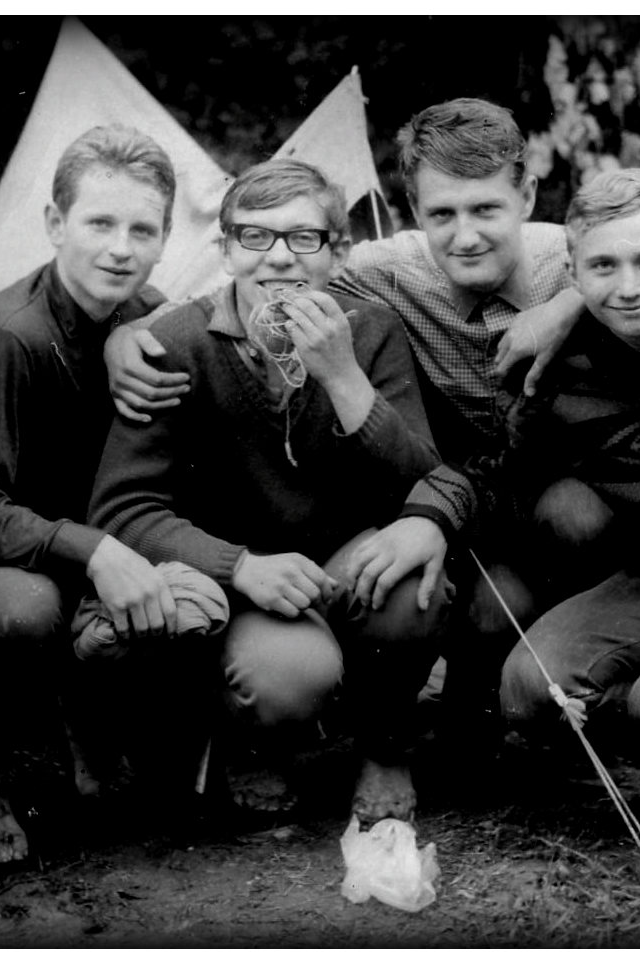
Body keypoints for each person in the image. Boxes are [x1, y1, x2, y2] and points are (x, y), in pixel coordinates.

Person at [103, 98, 640, 755]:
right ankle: (467, 717)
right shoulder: (381, 275)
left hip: (574, 496)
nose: (465, 236)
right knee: (481, 602)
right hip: (464, 494)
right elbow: (250, 279)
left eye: (486, 210)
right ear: (415, 210)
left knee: (573, 519)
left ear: (528, 197)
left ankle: (622, 693)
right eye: (442, 214)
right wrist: (125, 334)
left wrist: (583, 297)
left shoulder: (582, 259)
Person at [344, 169, 640, 827]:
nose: (628, 287)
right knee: (530, 691)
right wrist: (428, 518)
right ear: (572, 273)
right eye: (603, 266)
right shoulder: (562, 364)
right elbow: (502, 469)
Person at [84, 158, 448, 822]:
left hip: (340, 558)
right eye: (254, 236)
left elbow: (419, 480)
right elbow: (122, 510)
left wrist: (343, 377)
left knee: (410, 590)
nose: (279, 257)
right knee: (287, 679)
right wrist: (239, 567)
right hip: (237, 581)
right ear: (226, 250)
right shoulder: (177, 342)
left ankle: (384, 745)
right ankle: (252, 743)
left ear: (338, 251)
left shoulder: (372, 330)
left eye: (304, 237)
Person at [0, 125, 219, 864]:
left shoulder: (149, 313)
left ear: (165, 240)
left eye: (142, 230)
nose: (120, 248)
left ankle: (97, 724)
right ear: (56, 224)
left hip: (108, 542)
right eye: (99, 223)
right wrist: (94, 551)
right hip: (15, 561)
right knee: (19, 611)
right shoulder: (2, 341)